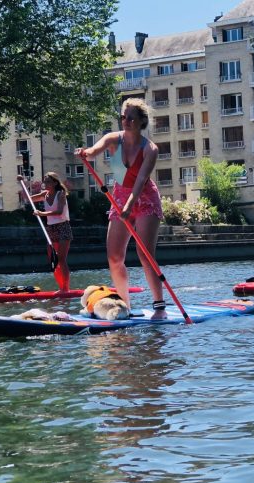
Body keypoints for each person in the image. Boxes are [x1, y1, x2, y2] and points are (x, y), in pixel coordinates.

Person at [74, 98, 166, 318]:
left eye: (131, 117)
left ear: (142, 121)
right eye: (123, 117)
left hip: (144, 199)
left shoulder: (150, 149)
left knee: (145, 255)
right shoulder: (113, 139)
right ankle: (124, 306)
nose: (126, 121)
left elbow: (141, 180)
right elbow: (95, 150)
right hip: (119, 198)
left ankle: (159, 306)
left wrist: (129, 206)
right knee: (114, 257)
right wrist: (85, 153)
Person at [25, 171, 71, 293]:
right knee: (53, 260)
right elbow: (28, 198)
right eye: (45, 181)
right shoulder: (45, 194)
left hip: (63, 227)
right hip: (51, 228)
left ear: (55, 183)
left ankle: (65, 289)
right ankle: (61, 287)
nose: (45, 183)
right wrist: (23, 184)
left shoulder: (60, 194)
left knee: (61, 259)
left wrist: (42, 213)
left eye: (48, 181)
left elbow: (59, 211)